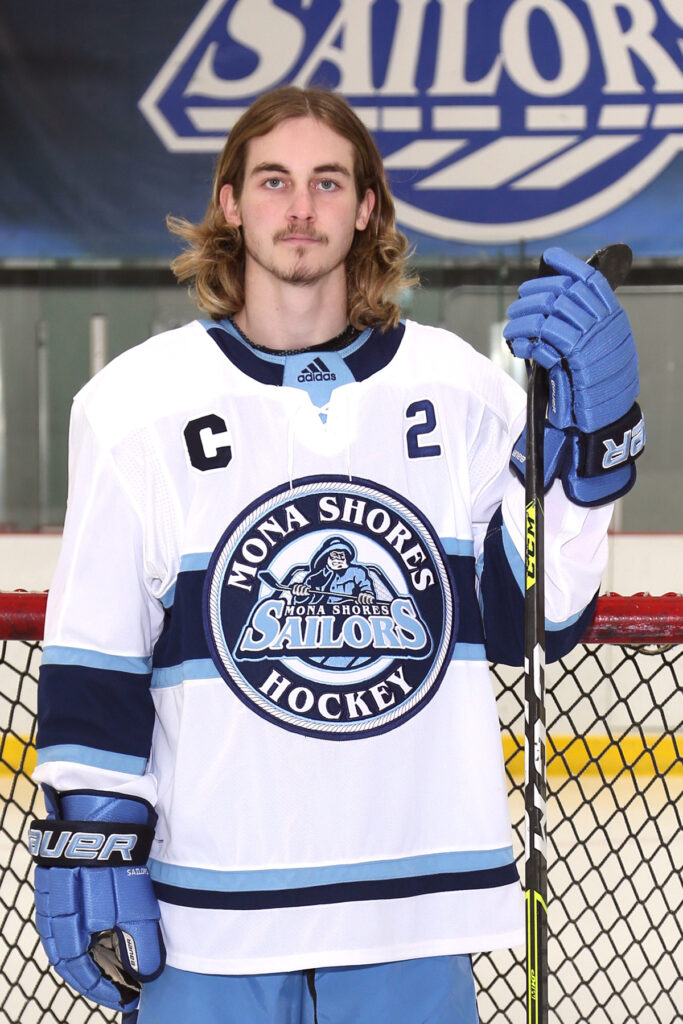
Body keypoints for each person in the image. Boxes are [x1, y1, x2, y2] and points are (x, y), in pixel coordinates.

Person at [29, 86, 644, 1024]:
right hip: (212, 918)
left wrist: (592, 453)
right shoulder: (133, 405)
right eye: (273, 180)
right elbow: (99, 651)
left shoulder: (461, 388)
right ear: (231, 203)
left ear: (364, 209)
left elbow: (538, 617)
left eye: (327, 181)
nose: (300, 206)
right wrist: (92, 833)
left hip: (415, 910)